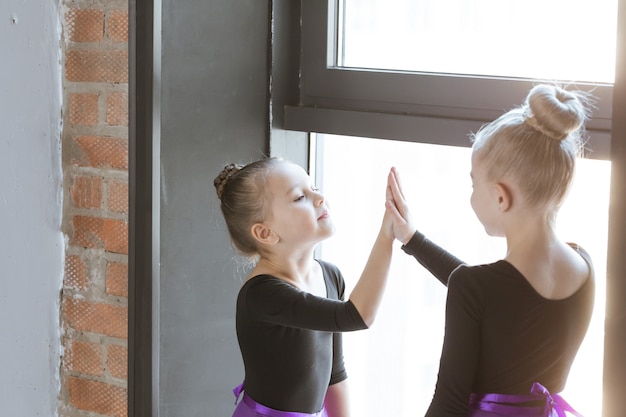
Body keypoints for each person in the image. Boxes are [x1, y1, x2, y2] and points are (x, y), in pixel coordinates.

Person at [385, 84, 595, 417]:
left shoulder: (477, 288)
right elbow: (496, 299)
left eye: (473, 184)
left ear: (500, 197)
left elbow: (448, 405)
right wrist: (413, 239)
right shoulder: (584, 265)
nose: (471, 194)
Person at [214, 157, 404, 417]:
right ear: (265, 233)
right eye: (299, 197)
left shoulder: (330, 275)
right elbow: (358, 315)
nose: (319, 197)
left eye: (313, 187)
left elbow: (335, 374)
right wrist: (386, 236)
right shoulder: (263, 294)